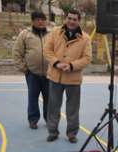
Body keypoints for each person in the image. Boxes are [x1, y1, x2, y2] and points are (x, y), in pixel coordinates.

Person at [44, 9, 92, 143]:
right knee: (53, 106)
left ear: (79, 21)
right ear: (65, 18)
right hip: (55, 76)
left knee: (73, 108)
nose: (71, 21)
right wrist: (57, 63)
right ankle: (52, 131)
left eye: (75, 19)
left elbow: (87, 58)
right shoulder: (55, 32)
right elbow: (47, 51)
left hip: (73, 79)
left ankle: (72, 133)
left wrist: (71, 66)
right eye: (69, 18)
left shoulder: (85, 38)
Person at [13, 10, 49, 130]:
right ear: (33, 21)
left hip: (49, 74)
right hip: (32, 74)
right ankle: (33, 120)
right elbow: (17, 52)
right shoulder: (25, 34)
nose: (41, 22)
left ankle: (49, 119)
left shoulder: (51, 34)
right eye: (38, 20)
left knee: (49, 98)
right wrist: (24, 69)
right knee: (33, 98)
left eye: (43, 19)